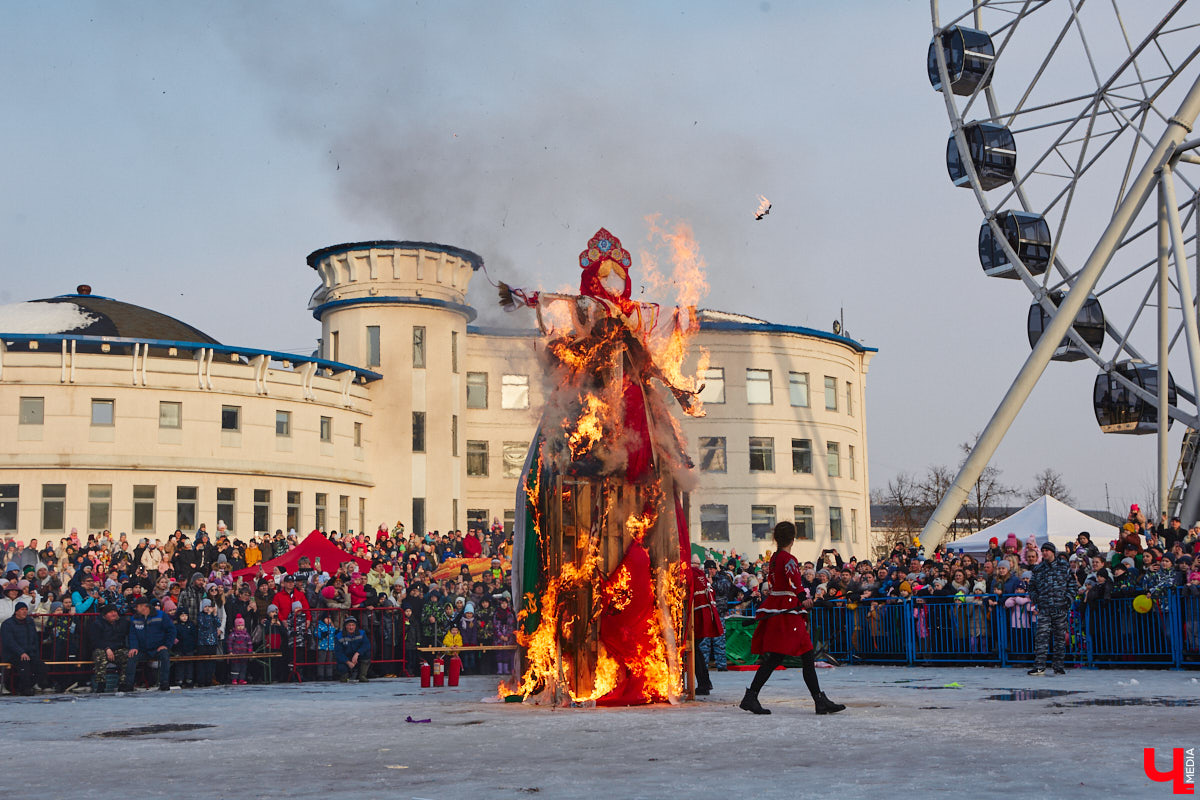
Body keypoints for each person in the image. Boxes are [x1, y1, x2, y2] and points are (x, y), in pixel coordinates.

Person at [742, 521, 844, 715]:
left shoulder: (774, 558)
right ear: (793, 538)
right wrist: (803, 598)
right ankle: (752, 695)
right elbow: (794, 581)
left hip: (780, 605)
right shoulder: (788, 558)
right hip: (788, 609)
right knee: (792, 654)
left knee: (792, 655)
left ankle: (753, 695)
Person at [1027, 541, 1073, 676]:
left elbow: (1072, 585)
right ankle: (1039, 666)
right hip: (1045, 608)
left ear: (1053, 552)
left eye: (1047, 550)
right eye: (1043, 550)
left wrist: (1068, 600)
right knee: (1041, 637)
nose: (1045, 553)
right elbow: (1031, 587)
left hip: (1060, 607)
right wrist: (1037, 599)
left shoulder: (1064, 566)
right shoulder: (1039, 568)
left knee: (1059, 638)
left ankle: (1058, 666)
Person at [689, 554, 723, 696]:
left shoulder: (691, 573)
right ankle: (705, 683)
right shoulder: (701, 575)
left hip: (698, 616)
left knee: (694, 650)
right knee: (696, 650)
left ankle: (703, 683)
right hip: (707, 614)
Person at [126, 596, 176, 691]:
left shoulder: (161, 615)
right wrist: (134, 647)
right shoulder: (134, 618)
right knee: (131, 657)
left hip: (158, 648)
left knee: (165, 656)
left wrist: (166, 645)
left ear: (143, 606)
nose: (135, 609)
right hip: (142, 649)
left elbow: (171, 631)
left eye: (137, 607)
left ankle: (164, 683)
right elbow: (133, 635)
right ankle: (129, 685)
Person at [1, 601, 47, 695]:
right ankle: (25, 689)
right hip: (13, 654)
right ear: (16, 611)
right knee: (24, 666)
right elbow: (9, 642)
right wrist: (21, 652)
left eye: (26, 609)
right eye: (22, 609)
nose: (25, 612)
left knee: (42, 666)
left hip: (29, 653)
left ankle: (28, 686)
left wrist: (34, 653)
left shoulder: (30, 622)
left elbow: (34, 639)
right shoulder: (7, 624)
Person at [88, 604, 131, 693]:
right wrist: (107, 648)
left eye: (115, 612)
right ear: (105, 615)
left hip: (117, 649)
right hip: (102, 649)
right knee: (99, 654)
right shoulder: (97, 624)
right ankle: (101, 683)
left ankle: (123, 683)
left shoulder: (122, 623)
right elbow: (95, 641)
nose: (114, 614)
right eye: (111, 612)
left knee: (128, 655)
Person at [334, 616, 371, 682]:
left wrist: (357, 653)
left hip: (357, 656)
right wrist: (348, 662)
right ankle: (344, 675)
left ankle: (362, 675)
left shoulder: (362, 633)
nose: (351, 627)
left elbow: (366, 645)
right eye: (349, 625)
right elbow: (338, 652)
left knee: (367, 654)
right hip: (346, 658)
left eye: (353, 625)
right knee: (341, 665)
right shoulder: (339, 636)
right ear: (345, 626)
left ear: (356, 626)